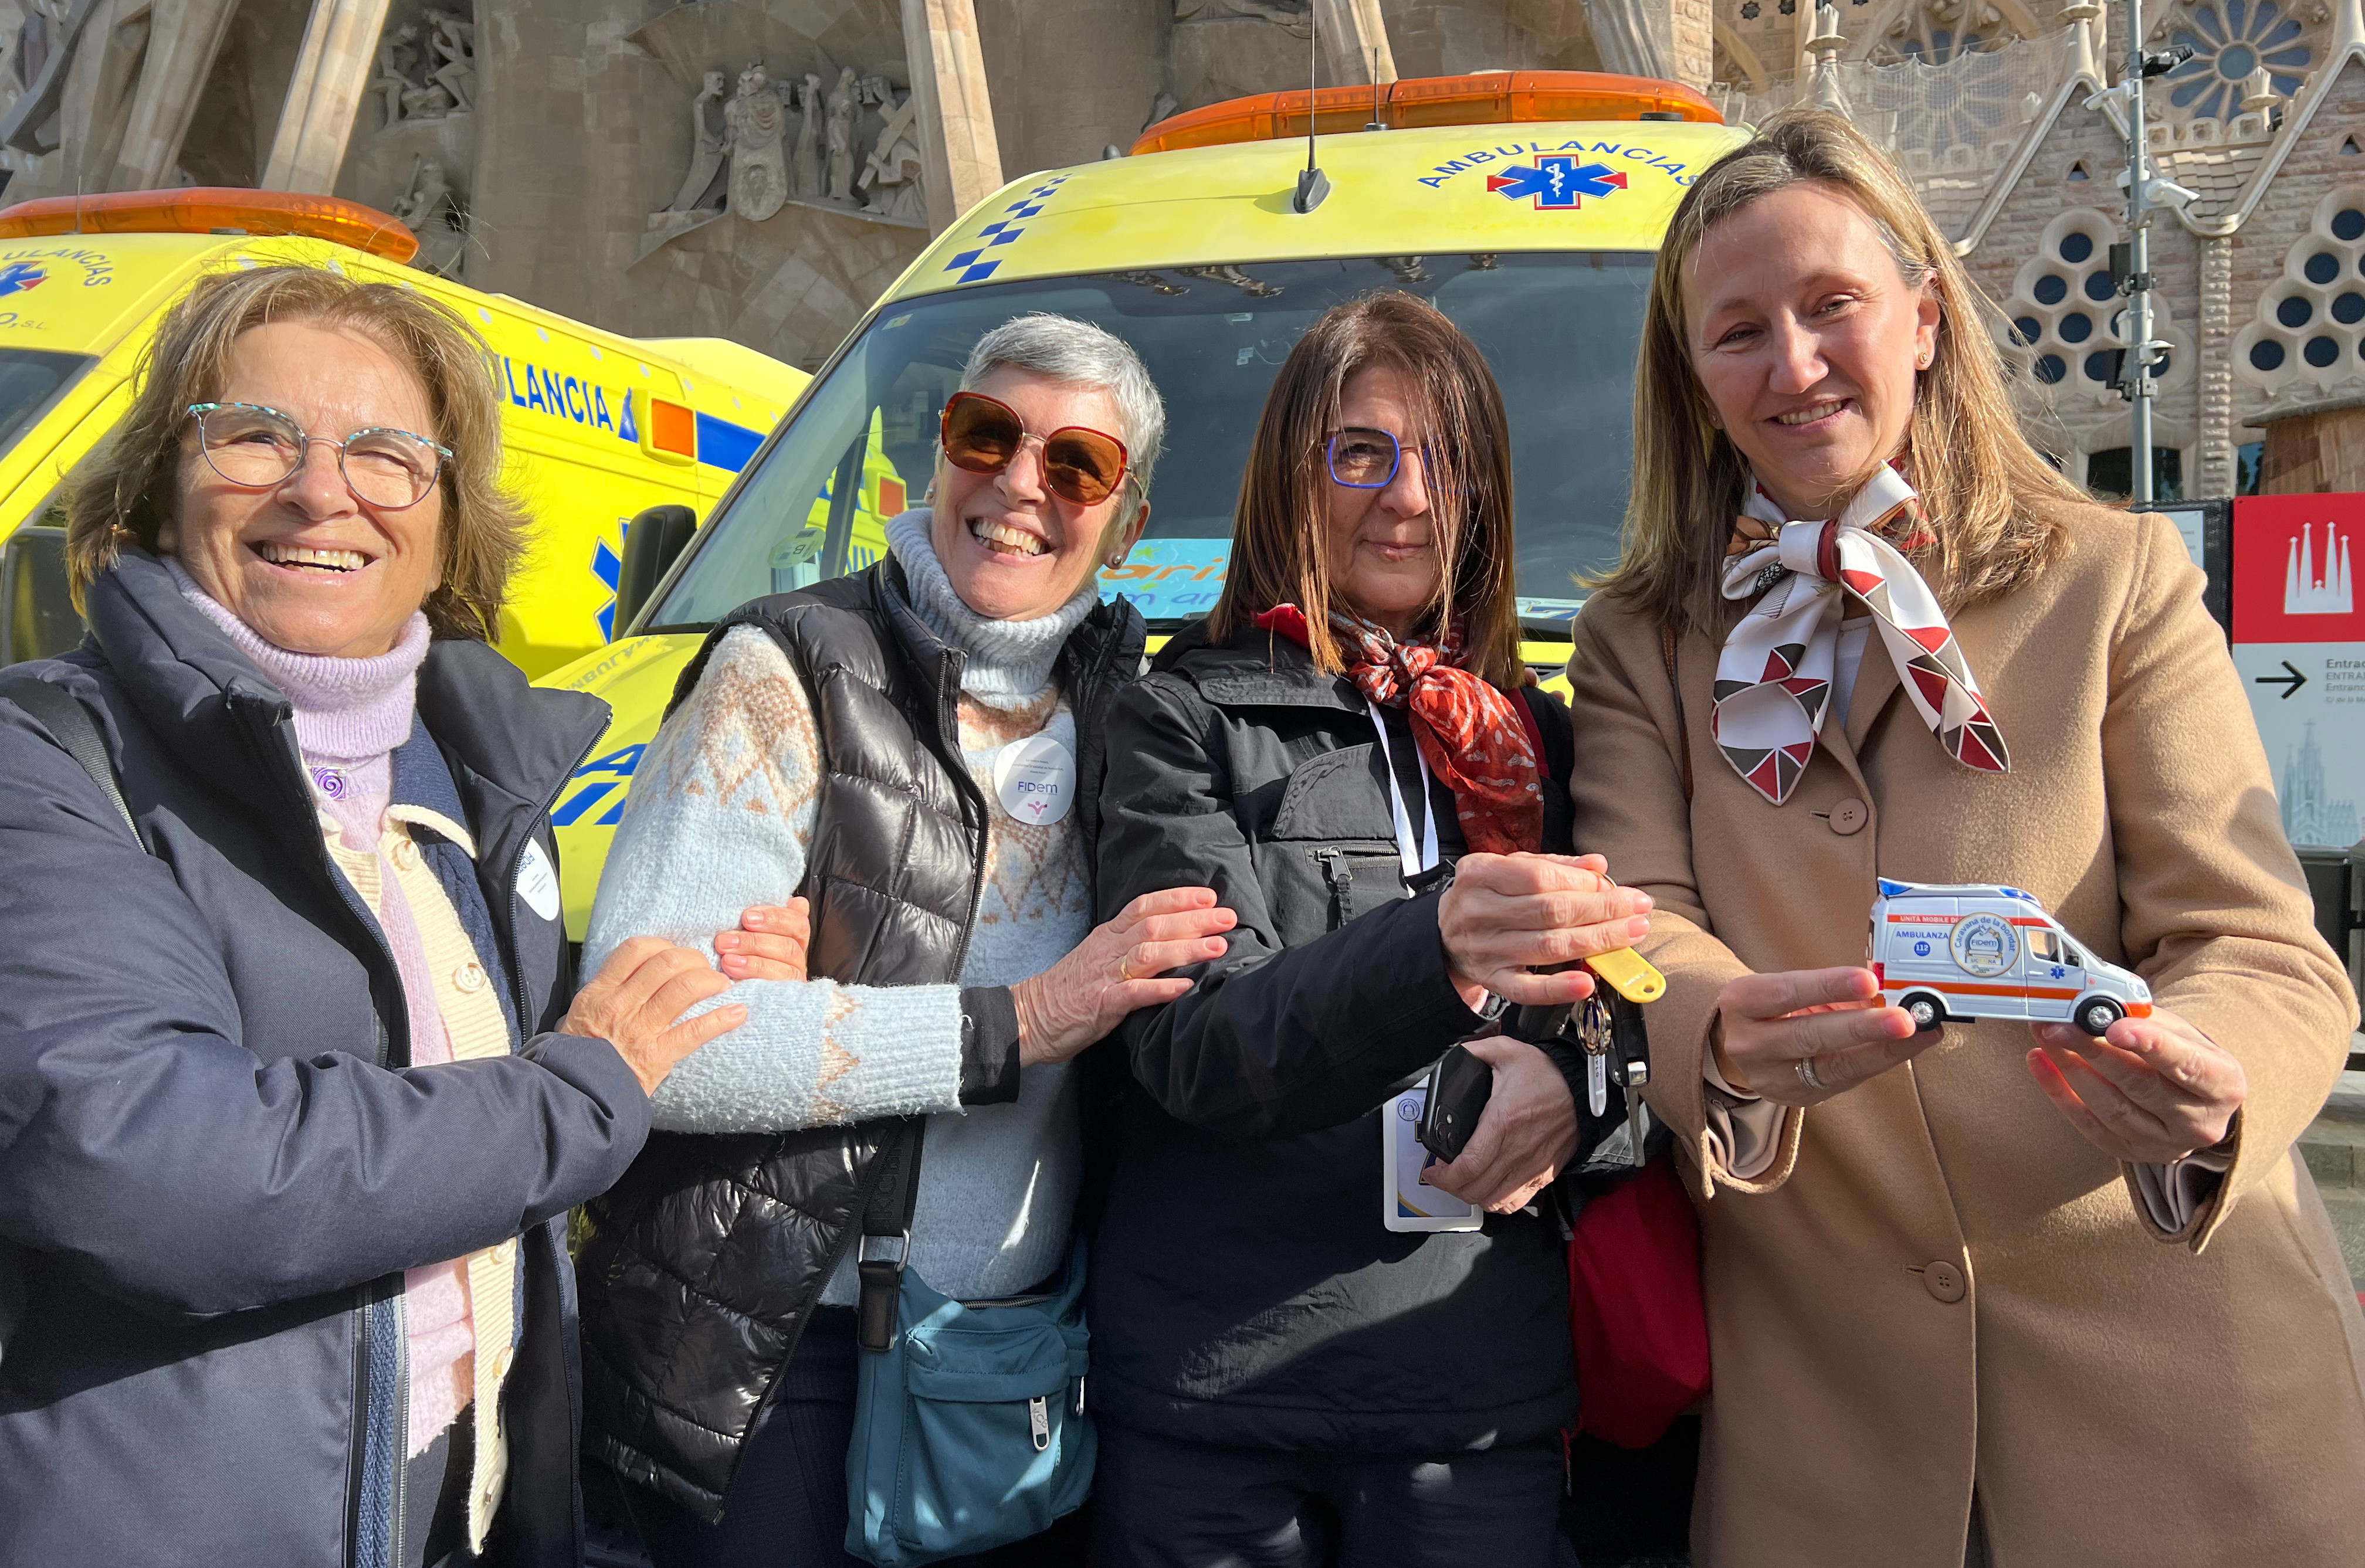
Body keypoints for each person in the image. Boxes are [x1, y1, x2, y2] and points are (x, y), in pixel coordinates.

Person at [1565, 106, 2365, 1567]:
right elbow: (1638, 923)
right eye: (1738, 331)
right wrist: (1718, 1032)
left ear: (1925, 319)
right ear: (1694, 380)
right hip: (1828, 1439)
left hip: (2183, 1402)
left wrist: (2212, 1086)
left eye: (1832, 308)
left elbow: (2257, 943)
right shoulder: (1640, 641)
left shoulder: (2111, 578)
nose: (1794, 366)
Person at [0, 265, 743, 1567]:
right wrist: (574, 1093)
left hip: (457, 1505)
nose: (319, 489)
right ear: (160, 488)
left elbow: (450, 1070)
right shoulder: (48, 758)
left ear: (451, 522)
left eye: (387, 453)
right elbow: (148, 1164)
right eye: (254, 435)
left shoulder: (463, 772)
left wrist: (668, 986)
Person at [574, 313, 1236, 1567]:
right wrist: (1017, 1019)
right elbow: (661, 1044)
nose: (1018, 485)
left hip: (1010, 1356)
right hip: (778, 1354)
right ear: (936, 456)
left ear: (1128, 520)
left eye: (1076, 464)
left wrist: (835, 1005)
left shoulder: (1130, 711)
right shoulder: (784, 671)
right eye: (986, 435)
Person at [1087, 291, 1651, 1567]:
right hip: (1220, 1390)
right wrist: (1441, 947)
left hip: (1477, 1387)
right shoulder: (1178, 719)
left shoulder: (1541, 740)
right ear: (1293, 472)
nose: (1406, 496)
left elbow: (1645, 1013)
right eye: (1361, 452)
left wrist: (1585, 1090)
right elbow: (1194, 1050)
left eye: (1445, 460)